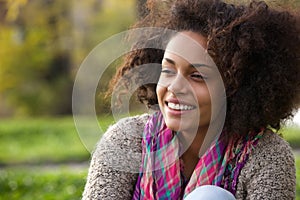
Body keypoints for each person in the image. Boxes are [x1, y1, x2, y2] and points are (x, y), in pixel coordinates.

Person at [82, 0, 300, 199]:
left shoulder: (265, 154)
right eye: (168, 70)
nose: (174, 87)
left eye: (197, 76)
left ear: (237, 87)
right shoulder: (126, 140)